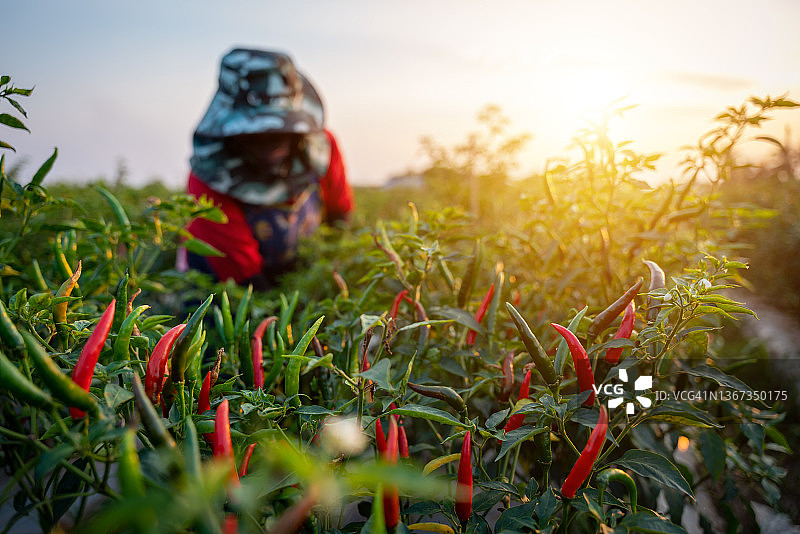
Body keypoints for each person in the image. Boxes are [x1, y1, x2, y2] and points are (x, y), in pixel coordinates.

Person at [180, 48, 354, 290]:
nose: (268, 140)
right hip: (228, 284)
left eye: (281, 130)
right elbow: (245, 278)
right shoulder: (209, 177)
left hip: (302, 273)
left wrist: (327, 278)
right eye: (253, 133)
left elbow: (340, 214)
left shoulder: (321, 149)